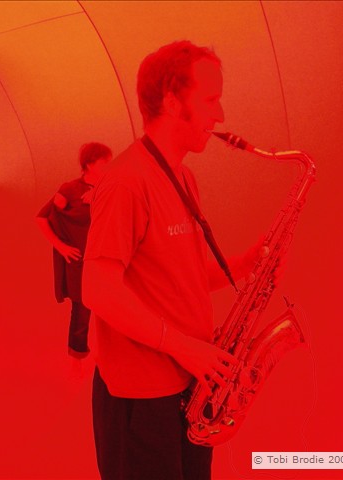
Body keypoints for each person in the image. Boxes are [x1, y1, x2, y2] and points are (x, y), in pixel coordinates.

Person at [83, 41, 263, 479]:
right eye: (210, 100)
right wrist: (185, 348)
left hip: (190, 387)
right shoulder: (126, 181)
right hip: (141, 398)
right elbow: (98, 289)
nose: (220, 115)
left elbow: (180, 276)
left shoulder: (183, 176)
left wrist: (246, 264)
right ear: (170, 101)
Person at [36, 143, 112, 362]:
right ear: (89, 164)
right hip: (80, 259)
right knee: (82, 310)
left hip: (105, 257)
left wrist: (97, 193)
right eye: (104, 162)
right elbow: (42, 218)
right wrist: (61, 246)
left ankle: (111, 353)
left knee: (111, 306)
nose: (109, 165)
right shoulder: (70, 189)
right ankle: (77, 357)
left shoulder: (109, 185)